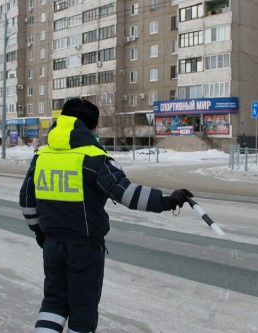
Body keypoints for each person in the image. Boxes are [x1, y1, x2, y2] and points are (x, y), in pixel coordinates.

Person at [19, 98, 192, 333]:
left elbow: (27, 202)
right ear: (91, 128)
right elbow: (128, 194)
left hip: (52, 246)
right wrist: (168, 201)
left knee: (53, 302)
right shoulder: (95, 158)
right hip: (85, 248)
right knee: (82, 308)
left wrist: (41, 233)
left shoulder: (41, 156)